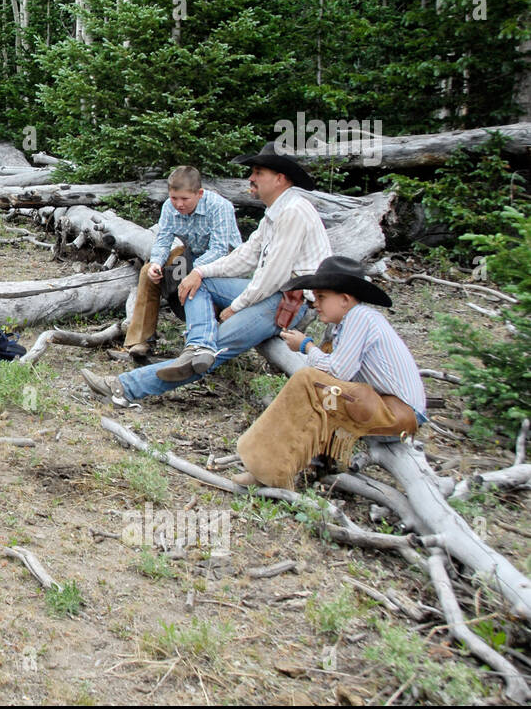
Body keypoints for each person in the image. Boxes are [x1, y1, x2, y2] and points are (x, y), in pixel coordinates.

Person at [84, 144, 332, 405]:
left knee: (215, 349)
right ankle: (198, 345)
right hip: (274, 294)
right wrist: (199, 272)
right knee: (199, 283)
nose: (251, 178)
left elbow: (273, 275)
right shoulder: (276, 212)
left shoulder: (293, 212)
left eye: (258, 172)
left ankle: (125, 386)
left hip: (289, 302)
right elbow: (245, 256)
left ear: (279, 178)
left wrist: (237, 307)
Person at [234, 256, 427, 489]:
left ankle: (269, 472)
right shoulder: (345, 324)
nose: (316, 303)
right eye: (315, 297)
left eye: (322, 297)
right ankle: (305, 466)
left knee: (309, 381)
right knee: (320, 389)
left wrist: (306, 346)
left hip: (399, 415)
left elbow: (339, 371)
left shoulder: (360, 318)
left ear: (345, 299)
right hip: (386, 409)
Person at [124, 165, 242, 359]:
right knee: (147, 272)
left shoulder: (220, 207)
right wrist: (156, 263)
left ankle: (205, 339)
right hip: (193, 255)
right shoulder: (169, 208)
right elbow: (163, 241)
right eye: (174, 198)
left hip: (225, 262)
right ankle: (140, 340)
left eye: (185, 199)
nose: (179, 204)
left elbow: (220, 249)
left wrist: (193, 272)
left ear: (199, 193)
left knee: (196, 280)